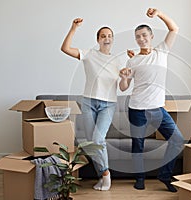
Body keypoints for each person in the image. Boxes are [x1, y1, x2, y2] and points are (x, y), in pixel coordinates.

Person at [119, 8, 185, 192]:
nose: (141, 39)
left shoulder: (161, 51)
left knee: (177, 140)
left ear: (151, 36)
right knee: (138, 146)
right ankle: (139, 178)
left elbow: (174, 29)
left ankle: (165, 175)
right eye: (138, 37)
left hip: (157, 109)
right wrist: (124, 78)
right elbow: (124, 88)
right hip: (137, 108)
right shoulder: (133, 61)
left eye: (144, 35)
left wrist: (159, 14)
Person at [61, 18, 121, 191]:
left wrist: (125, 76)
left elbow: (124, 85)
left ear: (112, 39)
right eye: (103, 35)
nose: (106, 38)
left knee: (97, 139)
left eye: (109, 36)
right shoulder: (89, 54)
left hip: (108, 105)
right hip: (88, 102)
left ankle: (105, 175)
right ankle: (101, 174)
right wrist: (73, 28)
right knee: (90, 143)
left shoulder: (118, 60)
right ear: (98, 39)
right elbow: (65, 49)